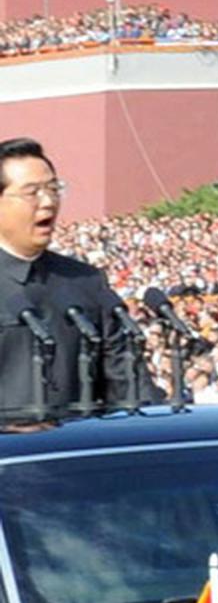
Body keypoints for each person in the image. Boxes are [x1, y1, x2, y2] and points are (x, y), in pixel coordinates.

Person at [0, 136, 157, 417]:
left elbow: (128, 385)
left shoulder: (85, 282)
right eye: (32, 192)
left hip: (76, 449)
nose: (47, 202)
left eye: (53, 189)